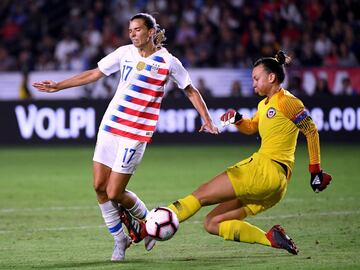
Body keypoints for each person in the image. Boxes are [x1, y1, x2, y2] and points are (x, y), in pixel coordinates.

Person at [32, 13, 219, 261]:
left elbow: (190, 90)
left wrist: (207, 120)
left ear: (151, 32)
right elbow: (94, 73)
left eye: (137, 29)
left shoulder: (168, 62)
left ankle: (150, 222)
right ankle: (120, 238)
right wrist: (59, 86)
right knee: (99, 187)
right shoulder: (123, 53)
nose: (132, 34)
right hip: (110, 126)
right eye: (130, 30)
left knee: (114, 192)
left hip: (136, 134)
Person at [167, 51, 332, 255]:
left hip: (265, 169)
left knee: (200, 195)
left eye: (256, 78)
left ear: (271, 77)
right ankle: (270, 238)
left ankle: (150, 226)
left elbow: (311, 130)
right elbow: (252, 127)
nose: (253, 83)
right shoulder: (265, 104)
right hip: (276, 186)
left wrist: (315, 171)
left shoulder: (287, 101)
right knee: (212, 223)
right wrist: (237, 120)